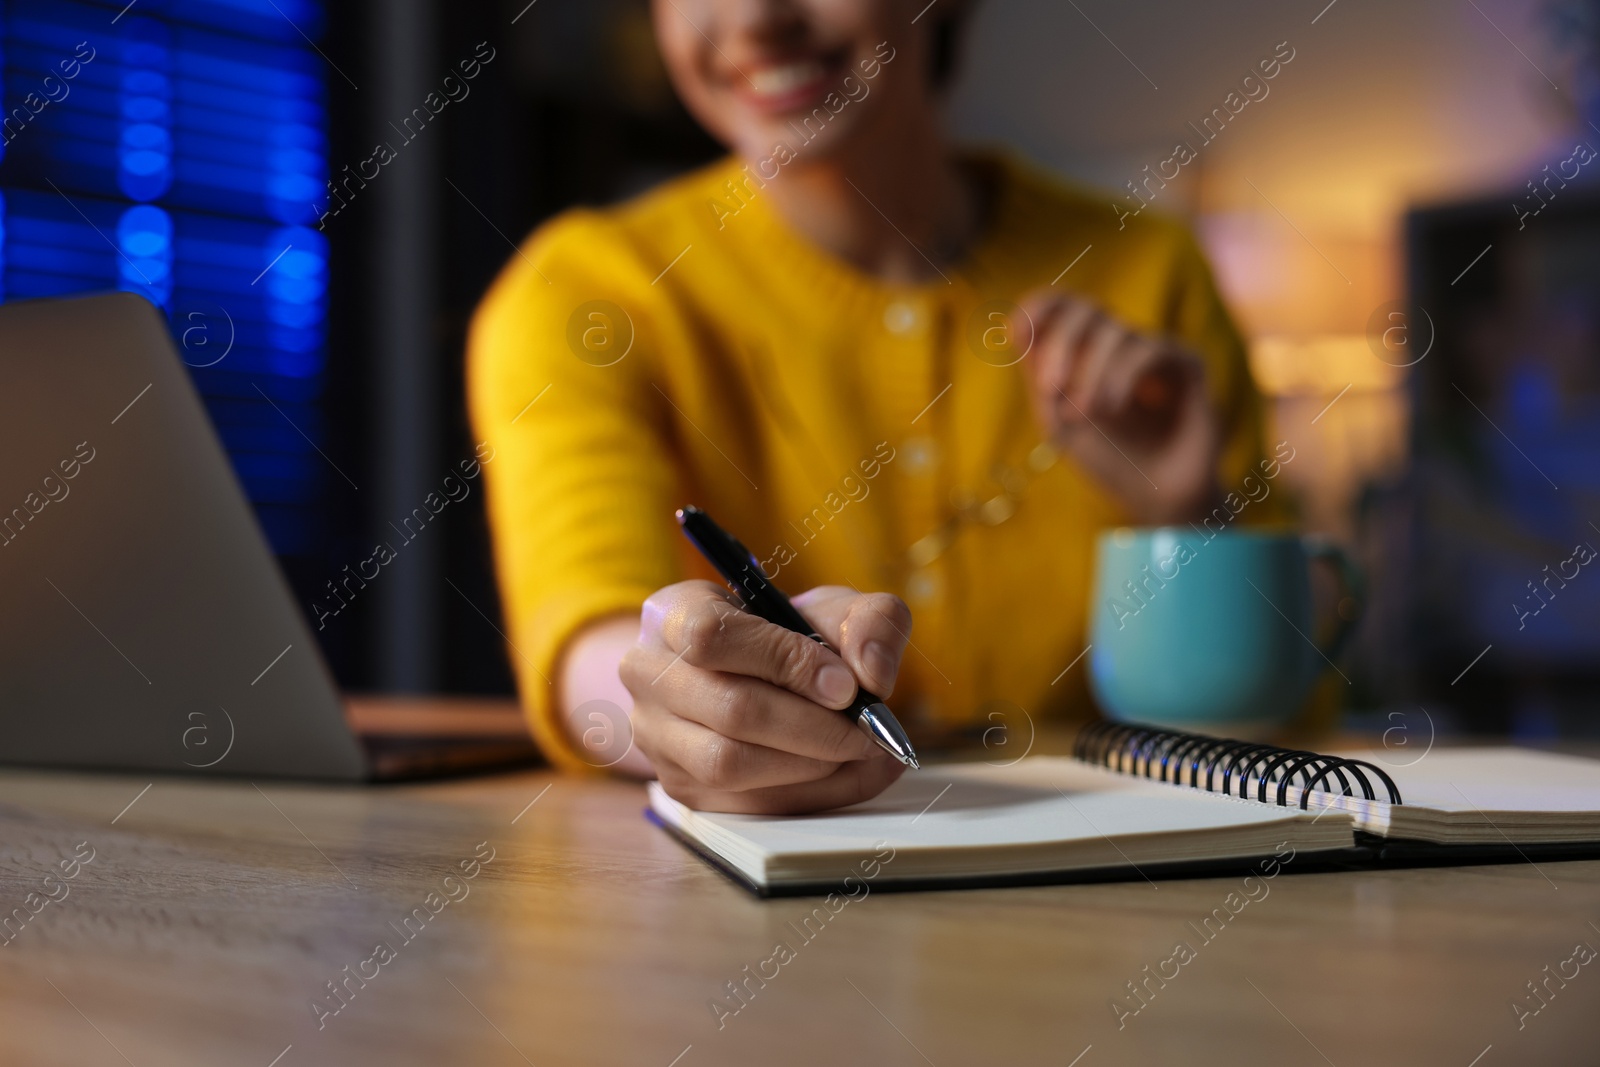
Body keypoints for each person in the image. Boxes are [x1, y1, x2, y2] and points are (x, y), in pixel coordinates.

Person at [468, 0, 1273, 814]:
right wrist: (690, 703)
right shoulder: (583, 298)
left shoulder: (1150, 273)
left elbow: (1288, 707)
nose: (751, 18)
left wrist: (1188, 514)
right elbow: (589, 644)